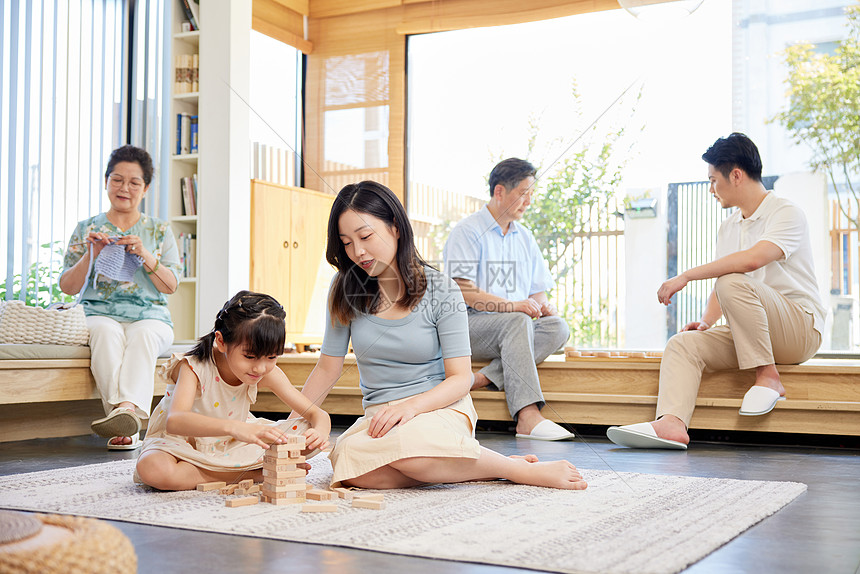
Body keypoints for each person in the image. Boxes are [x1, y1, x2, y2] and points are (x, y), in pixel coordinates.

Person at [298, 180, 586, 491]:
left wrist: (410, 408)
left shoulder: (441, 289)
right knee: (349, 466)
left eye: (365, 236)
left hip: (439, 408)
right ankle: (476, 466)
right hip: (381, 417)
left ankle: (515, 471)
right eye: (346, 242)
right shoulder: (344, 289)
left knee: (407, 451)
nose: (358, 251)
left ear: (395, 227)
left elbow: (459, 379)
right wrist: (292, 424)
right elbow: (327, 368)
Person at [607, 133, 824, 450]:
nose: (710, 189)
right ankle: (671, 424)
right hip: (753, 332)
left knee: (732, 280)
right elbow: (725, 280)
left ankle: (768, 377)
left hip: (799, 329)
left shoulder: (786, 212)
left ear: (735, 175)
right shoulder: (729, 226)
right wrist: (707, 322)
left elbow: (749, 263)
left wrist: (685, 276)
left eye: (712, 180)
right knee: (684, 344)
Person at [135, 291, 331, 491]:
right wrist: (235, 427)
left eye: (271, 357)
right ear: (221, 341)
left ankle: (212, 472)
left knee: (305, 437)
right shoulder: (193, 367)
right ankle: (255, 473)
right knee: (153, 469)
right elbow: (175, 421)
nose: (260, 368)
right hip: (183, 444)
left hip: (232, 444)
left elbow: (317, 414)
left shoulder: (266, 373)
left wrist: (320, 431)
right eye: (250, 356)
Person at [60, 145, 182, 450]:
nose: (124, 188)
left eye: (134, 182)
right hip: (99, 312)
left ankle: (122, 414)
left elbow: (170, 286)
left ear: (146, 188)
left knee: (143, 336)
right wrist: (93, 253)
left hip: (151, 316)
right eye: (117, 180)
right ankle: (126, 417)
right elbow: (67, 286)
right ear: (105, 181)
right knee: (103, 332)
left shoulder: (159, 230)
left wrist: (143, 253)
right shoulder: (86, 229)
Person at [443, 158, 573, 441]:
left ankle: (483, 378)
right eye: (523, 193)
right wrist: (512, 307)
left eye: (531, 194)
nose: (529, 201)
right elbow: (463, 290)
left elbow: (537, 291)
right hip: (469, 326)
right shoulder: (467, 231)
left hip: (515, 327)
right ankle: (527, 416)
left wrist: (544, 306)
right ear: (500, 191)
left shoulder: (524, 237)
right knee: (516, 322)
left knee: (558, 327)